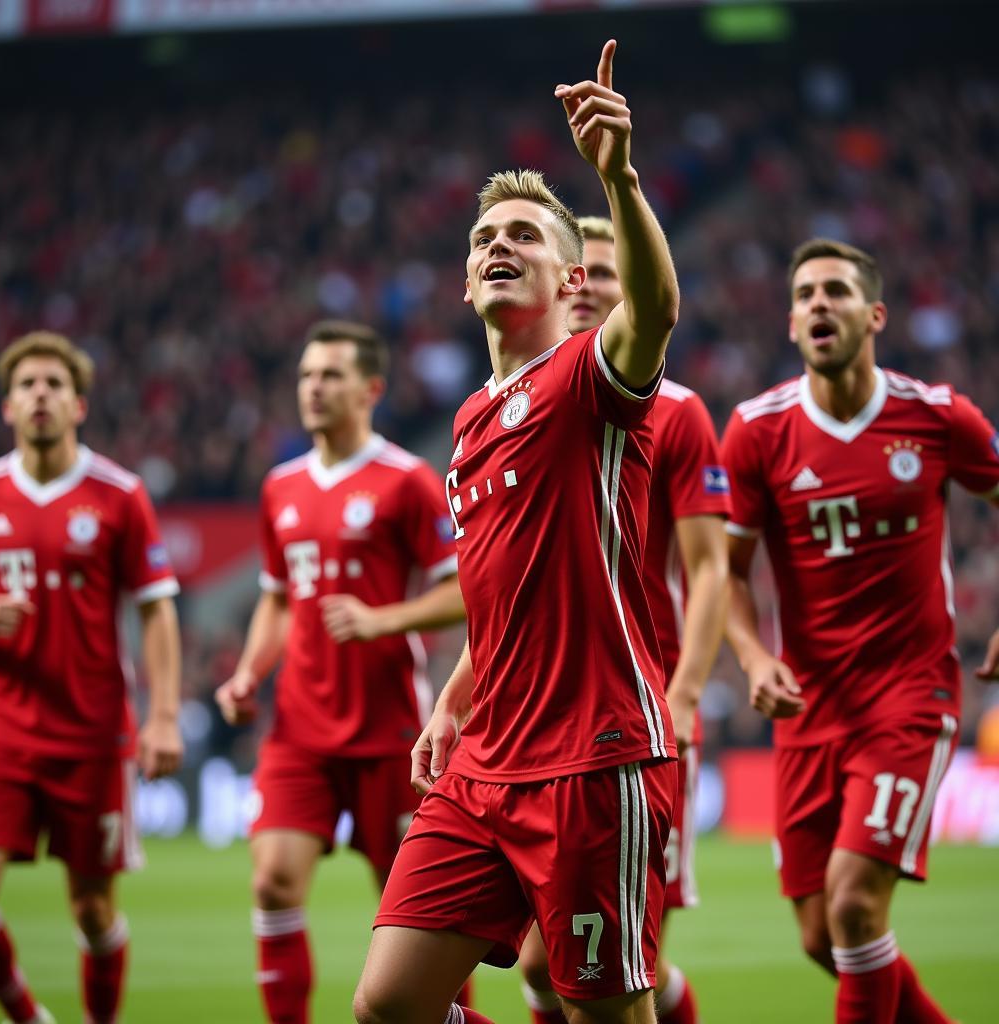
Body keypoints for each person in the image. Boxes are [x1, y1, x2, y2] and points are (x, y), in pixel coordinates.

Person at [353, 40, 681, 1024]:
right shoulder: (461, 424)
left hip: (593, 754)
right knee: (386, 1003)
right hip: (482, 759)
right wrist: (450, 701)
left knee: (602, 1012)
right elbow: (498, 587)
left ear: (571, 275)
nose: (500, 244)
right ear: (463, 284)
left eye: (526, 237)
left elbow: (657, 309)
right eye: (484, 237)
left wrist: (617, 178)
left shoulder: (587, 376)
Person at [721, 238, 999, 1024]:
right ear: (789, 322)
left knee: (853, 910)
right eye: (804, 293)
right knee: (822, 937)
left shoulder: (938, 416)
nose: (818, 304)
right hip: (808, 708)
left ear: (873, 314)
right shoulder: (755, 431)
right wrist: (750, 654)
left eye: (836, 291)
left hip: (908, 698)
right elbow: (728, 573)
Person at [215, 320, 465, 1024]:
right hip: (299, 727)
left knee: (421, 919)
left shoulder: (408, 481)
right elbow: (278, 600)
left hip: (390, 729)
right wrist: (247, 672)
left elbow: (464, 591)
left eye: (330, 375)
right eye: (306, 376)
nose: (314, 388)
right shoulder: (280, 488)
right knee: (272, 881)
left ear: (371, 389)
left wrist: (382, 619)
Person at [515, 216, 729, 1024]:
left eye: (609, 274)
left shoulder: (676, 411)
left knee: (616, 961)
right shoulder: (528, 403)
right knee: (547, 965)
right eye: (583, 271)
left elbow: (709, 566)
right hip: (546, 713)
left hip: (642, 711)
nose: (592, 287)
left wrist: (686, 692)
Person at [0, 331, 183, 1024]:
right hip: (6, 725)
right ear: (6, 408)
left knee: (93, 909)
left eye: (53, 385)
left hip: (94, 733)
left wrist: (161, 716)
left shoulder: (119, 495)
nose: (40, 395)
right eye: (27, 385)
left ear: (79, 404)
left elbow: (157, 610)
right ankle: (29, 1016)